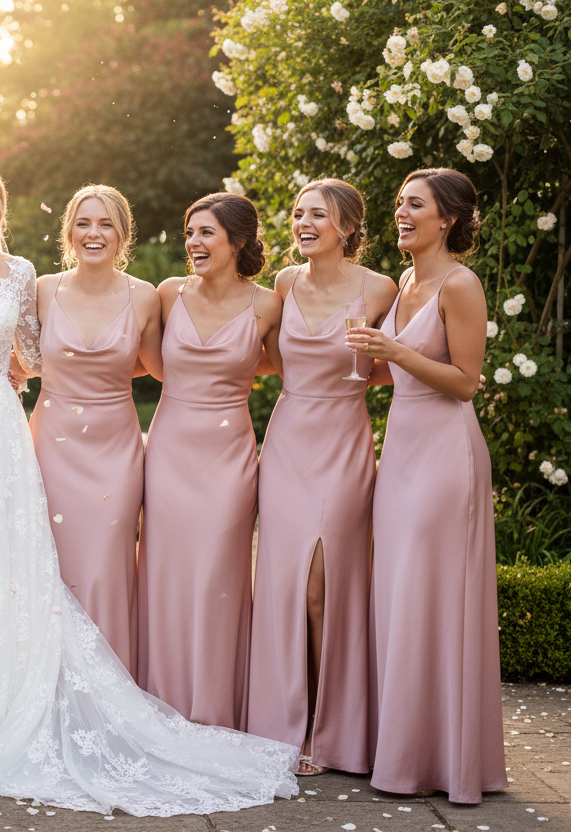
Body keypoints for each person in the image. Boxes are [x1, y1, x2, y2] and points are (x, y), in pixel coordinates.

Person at [0, 163, 298, 817]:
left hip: (5, 432)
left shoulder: (28, 279)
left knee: (10, 564)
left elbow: (37, 357)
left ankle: (17, 704)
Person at [347, 168, 506, 803]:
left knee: (435, 599)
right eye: (399, 204)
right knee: (401, 596)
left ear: (448, 219)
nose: (402, 213)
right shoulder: (405, 281)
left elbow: (466, 381)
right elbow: (394, 376)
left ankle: (447, 763)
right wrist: (372, 358)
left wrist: (395, 351)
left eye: (416, 205)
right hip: (403, 449)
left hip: (446, 455)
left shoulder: (459, 284)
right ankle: (409, 752)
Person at [246, 179, 396, 776]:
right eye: (299, 214)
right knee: (284, 583)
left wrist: (358, 380)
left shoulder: (381, 288)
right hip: (286, 442)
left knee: (321, 588)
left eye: (318, 215)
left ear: (349, 227)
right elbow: (275, 358)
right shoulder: (284, 284)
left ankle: (327, 730)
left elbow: (395, 362)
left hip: (344, 443)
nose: (304, 223)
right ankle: (287, 722)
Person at [138, 192, 283, 731]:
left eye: (205, 234)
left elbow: (295, 368)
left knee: (218, 575)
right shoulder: (168, 295)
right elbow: (136, 360)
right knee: (168, 575)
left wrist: (234, 377)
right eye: (190, 234)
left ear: (237, 241)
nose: (193, 244)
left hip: (228, 456)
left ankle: (216, 710)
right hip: (171, 448)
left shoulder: (268, 304)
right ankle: (163, 705)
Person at [28, 185, 162, 677]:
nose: (94, 233)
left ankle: (109, 686)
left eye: (106, 224)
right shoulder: (42, 289)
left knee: (107, 562)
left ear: (123, 235)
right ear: (69, 231)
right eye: (84, 223)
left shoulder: (145, 297)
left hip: (114, 448)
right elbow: (14, 355)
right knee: (51, 561)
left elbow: (159, 366)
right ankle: (48, 684)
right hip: (51, 442)